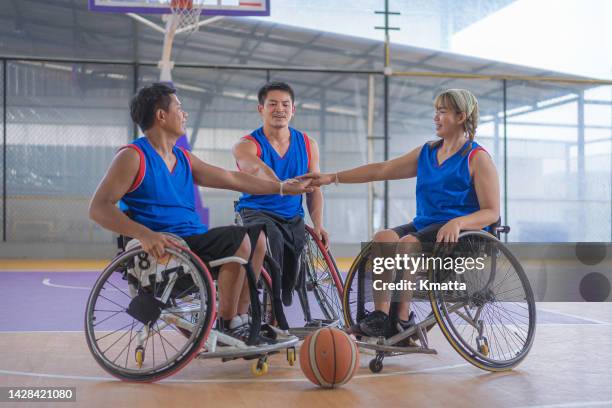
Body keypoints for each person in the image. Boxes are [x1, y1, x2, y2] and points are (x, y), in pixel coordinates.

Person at [89, 83, 312, 343]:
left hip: (191, 245)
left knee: (257, 237)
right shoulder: (133, 157)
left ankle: (240, 319)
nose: (185, 115)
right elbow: (98, 207)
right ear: (161, 116)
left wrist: (282, 187)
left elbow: (232, 178)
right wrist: (144, 234)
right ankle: (228, 323)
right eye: (179, 108)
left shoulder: (183, 158)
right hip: (163, 251)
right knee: (240, 239)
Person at [300, 88, 500, 340]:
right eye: (436, 112)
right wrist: (332, 177)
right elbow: (381, 170)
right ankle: (381, 316)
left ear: (461, 117)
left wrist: (458, 222)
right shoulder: (427, 152)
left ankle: (402, 320)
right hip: (426, 226)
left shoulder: (477, 158)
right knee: (383, 237)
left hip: (462, 235)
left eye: (442, 112)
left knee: (407, 244)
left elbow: (492, 212)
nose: (436, 117)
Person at [233, 81, 328, 307]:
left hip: (292, 217)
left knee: (291, 266)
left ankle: (275, 306)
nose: (280, 109)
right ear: (261, 109)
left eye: (286, 104)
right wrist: (281, 186)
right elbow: (255, 168)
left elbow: (314, 190)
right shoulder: (247, 144)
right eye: (273, 104)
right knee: (270, 237)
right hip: (256, 212)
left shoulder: (307, 144)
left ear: (293, 110)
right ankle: (257, 306)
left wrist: (318, 225)